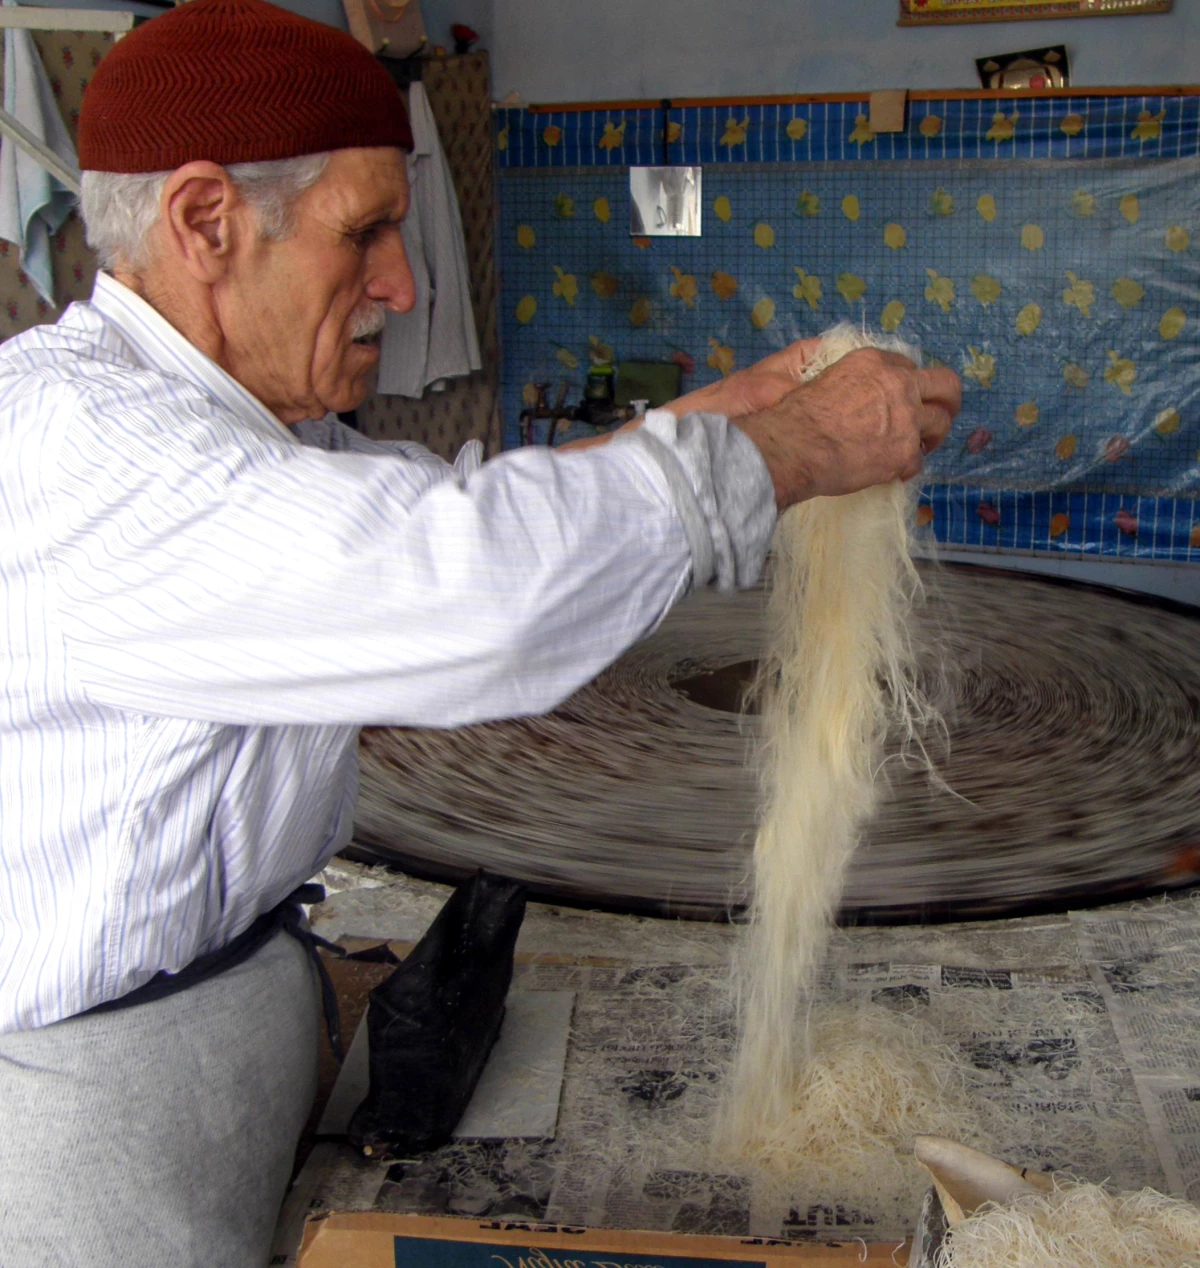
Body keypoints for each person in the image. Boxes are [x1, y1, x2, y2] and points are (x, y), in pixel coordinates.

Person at [0, 0, 960, 1263]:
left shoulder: (236, 430)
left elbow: (426, 520)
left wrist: (717, 417)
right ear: (204, 221)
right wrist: (789, 449)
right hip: (92, 1115)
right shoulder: (92, 456)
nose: (404, 284)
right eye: (368, 232)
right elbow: (465, 586)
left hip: (232, 1015)